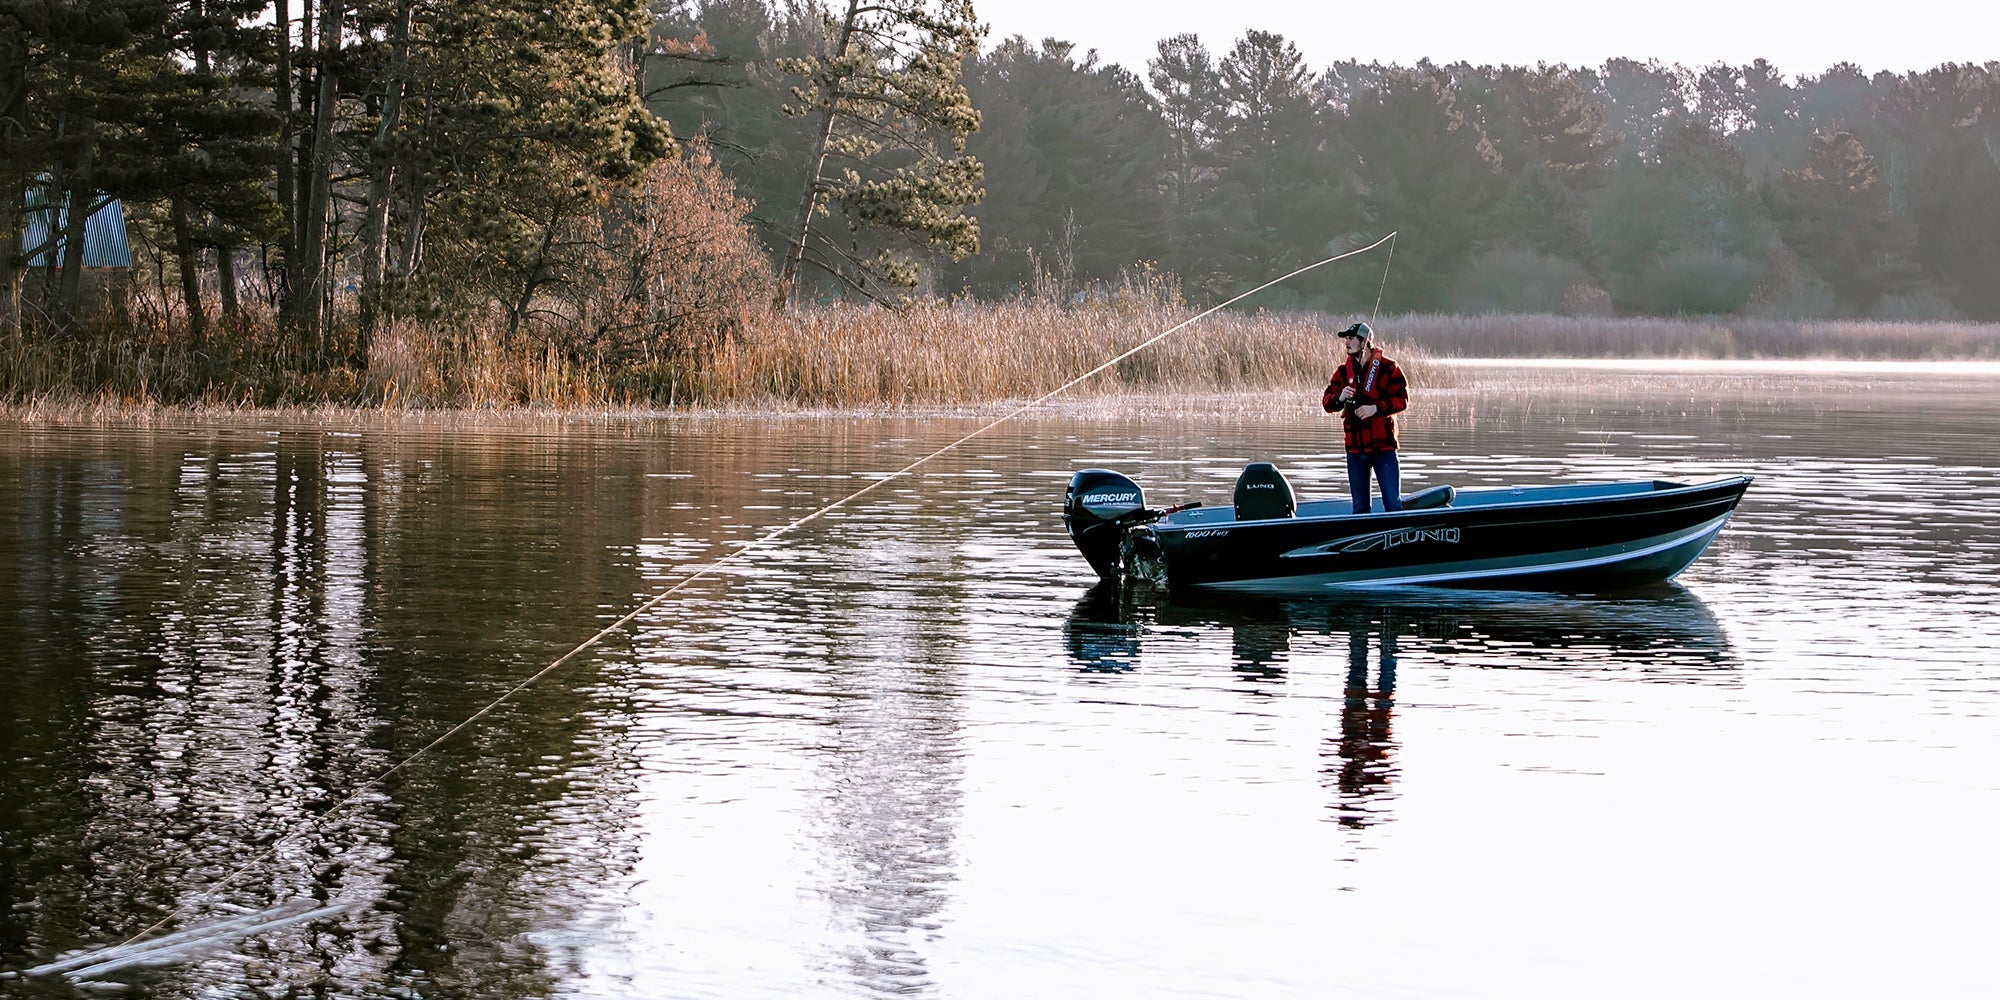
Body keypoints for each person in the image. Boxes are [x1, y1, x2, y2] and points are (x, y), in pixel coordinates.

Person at [1321, 321, 1409, 514]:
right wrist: (1340, 398)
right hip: (1355, 451)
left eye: (1351, 338)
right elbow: (1327, 403)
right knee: (1359, 508)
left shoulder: (1389, 368)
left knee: (1393, 505)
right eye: (1346, 339)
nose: (1347, 343)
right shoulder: (1343, 372)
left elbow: (1402, 401)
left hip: (1383, 449)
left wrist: (1375, 409)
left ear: (1365, 341)